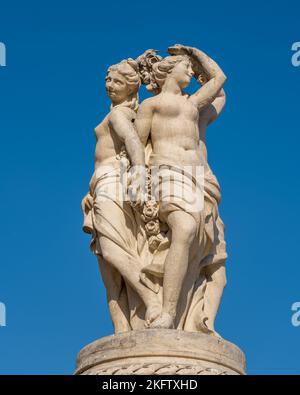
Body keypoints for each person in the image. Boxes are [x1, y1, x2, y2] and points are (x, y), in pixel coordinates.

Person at [134, 44, 227, 329]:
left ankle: (183, 317)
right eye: (185, 66)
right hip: (167, 171)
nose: (190, 70)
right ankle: (167, 313)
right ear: (168, 71)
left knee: (198, 245)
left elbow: (219, 80)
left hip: (199, 179)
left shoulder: (193, 105)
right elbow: (137, 144)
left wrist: (194, 52)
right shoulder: (151, 105)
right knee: (184, 230)